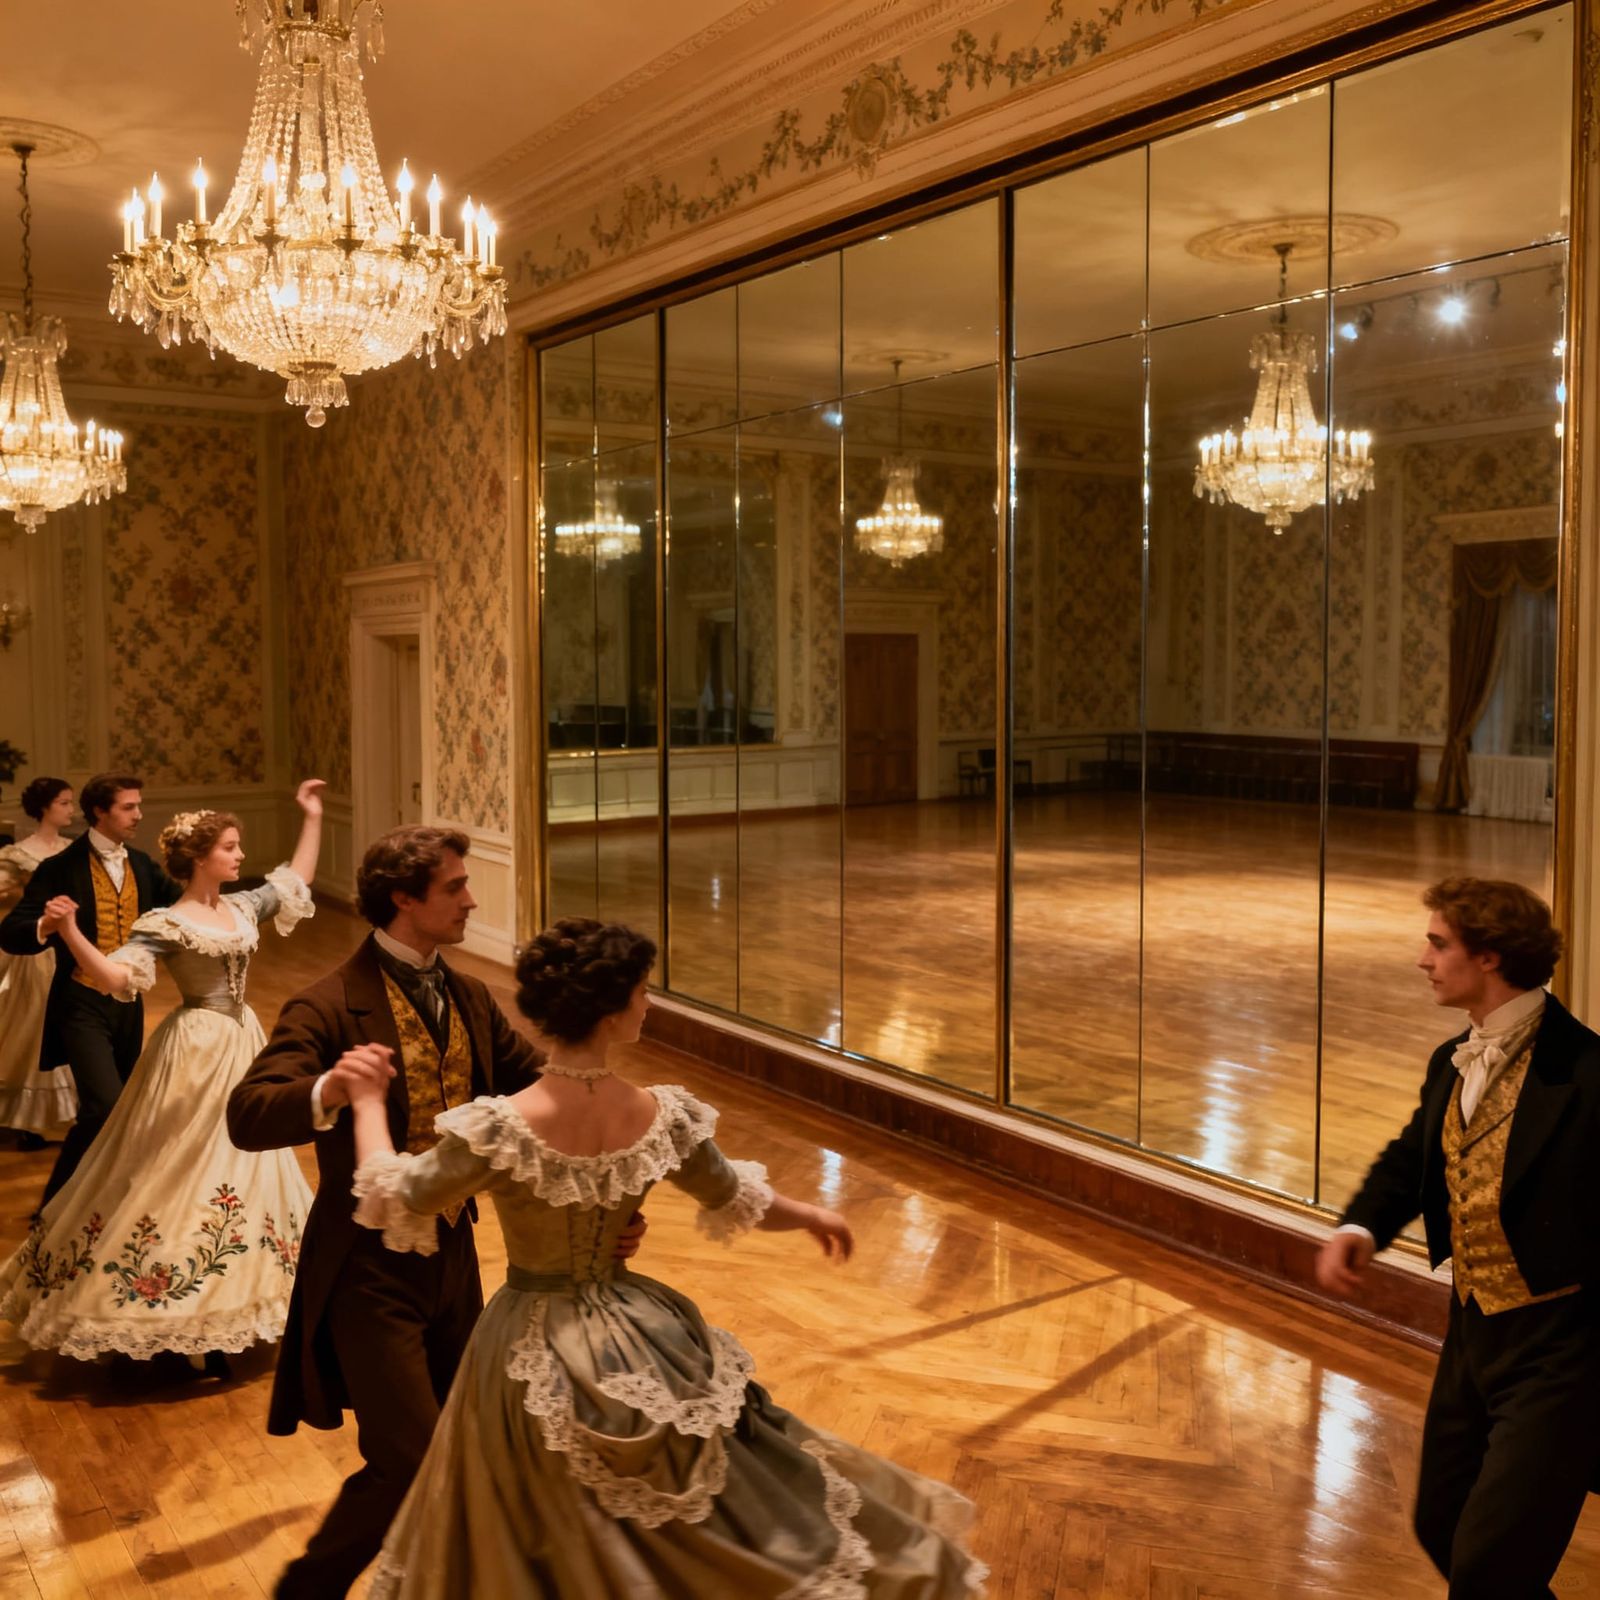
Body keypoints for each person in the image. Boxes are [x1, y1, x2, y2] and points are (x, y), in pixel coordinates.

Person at [347, 917, 989, 1599]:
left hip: (529, 1336)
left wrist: (364, 1103)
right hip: (638, 1332)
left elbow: (393, 1195)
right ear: (612, 1009)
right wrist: (811, 1215)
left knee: (541, 1508)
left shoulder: (501, 1126)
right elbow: (735, 1195)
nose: (649, 1004)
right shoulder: (658, 1114)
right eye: (643, 992)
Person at [228, 826, 645, 1600]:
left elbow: (544, 1103)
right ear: (404, 899)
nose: (471, 900)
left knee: (464, 1445)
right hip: (365, 1272)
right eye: (455, 887)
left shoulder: (469, 997)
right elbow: (248, 1115)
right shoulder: (326, 1004)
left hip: (455, 1264)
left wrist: (608, 1202)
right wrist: (328, 1090)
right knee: (410, 1459)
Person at [1316, 876, 1600, 1599]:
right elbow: (1415, 1154)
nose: (1423, 960)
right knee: (1442, 1525)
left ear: (1492, 958)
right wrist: (1361, 1226)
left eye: (1439, 945)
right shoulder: (1451, 1059)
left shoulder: (1590, 1074)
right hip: (1472, 1335)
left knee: (1490, 1564)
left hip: (1562, 1351)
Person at [0, 781, 325, 1367]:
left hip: (244, 1043)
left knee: (247, 1162)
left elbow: (293, 880)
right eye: (230, 847)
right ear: (201, 858)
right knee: (179, 1167)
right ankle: (175, 1315)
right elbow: (116, 980)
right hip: (194, 1049)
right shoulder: (166, 923)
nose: (240, 855)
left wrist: (313, 816)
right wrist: (70, 931)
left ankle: (235, 1301)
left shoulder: (243, 905)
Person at [0, 771, 180, 1207]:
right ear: (99, 811)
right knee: (104, 1105)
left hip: (129, 1005)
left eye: (138, 805)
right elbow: (12, 931)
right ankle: (55, 1207)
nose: (138, 814)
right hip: (79, 1004)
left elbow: (179, 904)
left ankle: (82, 1203)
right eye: (128, 807)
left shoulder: (139, 864)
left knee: (108, 1111)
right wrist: (48, 923)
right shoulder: (60, 867)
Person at [0, 777, 78, 1147]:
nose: (71, 809)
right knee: (35, 1029)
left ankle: (67, 1114)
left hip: (72, 949)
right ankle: (29, 1121)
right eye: (64, 803)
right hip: (37, 954)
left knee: (72, 1024)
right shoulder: (19, 854)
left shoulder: (72, 849)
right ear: (45, 808)